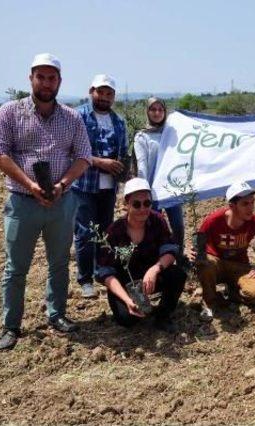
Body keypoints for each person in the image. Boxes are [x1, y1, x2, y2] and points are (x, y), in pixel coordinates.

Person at [0, 53, 92, 350]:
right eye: (41, 77)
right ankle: (10, 326)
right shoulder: (10, 112)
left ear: (59, 81)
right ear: (30, 78)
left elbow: (83, 156)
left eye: (52, 78)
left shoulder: (71, 117)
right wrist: (30, 184)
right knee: (15, 267)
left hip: (62, 201)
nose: (46, 83)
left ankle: (57, 314)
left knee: (59, 263)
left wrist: (61, 185)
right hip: (23, 202)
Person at [95, 178, 186, 332]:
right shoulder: (114, 231)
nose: (143, 208)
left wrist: (155, 269)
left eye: (147, 203)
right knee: (127, 320)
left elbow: (170, 251)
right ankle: (131, 305)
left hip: (150, 277)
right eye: (137, 204)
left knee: (177, 274)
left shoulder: (157, 220)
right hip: (125, 283)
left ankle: (163, 315)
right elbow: (105, 273)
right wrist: (126, 299)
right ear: (126, 205)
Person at [192, 181, 255, 321]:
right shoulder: (214, 220)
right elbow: (198, 245)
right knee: (205, 262)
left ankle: (232, 293)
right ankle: (209, 302)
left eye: (252, 202)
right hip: (216, 264)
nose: (251, 208)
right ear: (232, 206)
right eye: (245, 204)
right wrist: (191, 253)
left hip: (240, 267)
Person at [72, 74, 128, 299]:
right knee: (85, 233)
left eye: (109, 93)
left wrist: (123, 171)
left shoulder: (118, 121)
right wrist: (98, 162)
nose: (104, 97)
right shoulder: (78, 116)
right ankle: (85, 279)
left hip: (108, 187)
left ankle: (101, 273)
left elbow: (123, 151)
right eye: (100, 92)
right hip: (84, 184)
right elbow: (72, 149)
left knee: (106, 232)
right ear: (91, 91)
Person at [134, 97, 184, 252]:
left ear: (165, 112)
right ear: (147, 112)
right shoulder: (142, 136)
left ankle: (178, 258)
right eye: (153, 109)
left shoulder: (172, 134)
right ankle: (154, 260)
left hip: (171, 190)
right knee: (153, 227)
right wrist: (143, 191)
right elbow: (142, 164)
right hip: (152, 192)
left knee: (178, 227)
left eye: (160, 109)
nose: (157, 113)